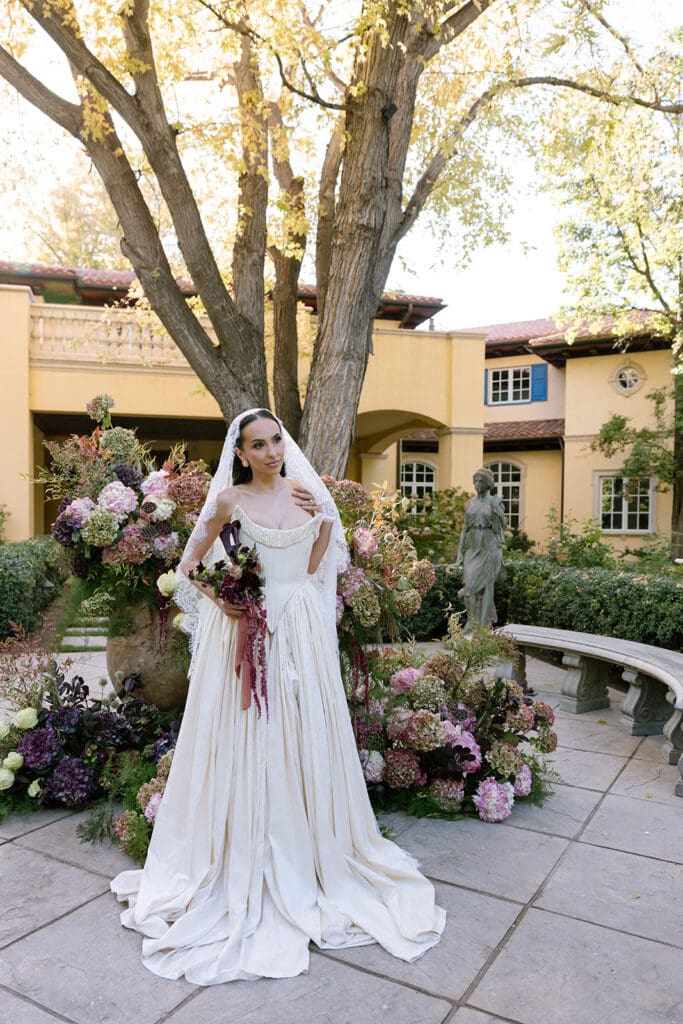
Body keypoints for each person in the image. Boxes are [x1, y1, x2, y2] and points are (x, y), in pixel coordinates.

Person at [110, 408, 445, 985]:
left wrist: (321, 527)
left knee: (302, 734)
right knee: (249, 735)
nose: (270, 452)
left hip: (301, 630)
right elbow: (189, 566)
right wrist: (225, 600)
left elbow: (316, 569)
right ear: (239, 453)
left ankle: (310, 851)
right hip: (247, 632)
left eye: (276, 441)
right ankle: (244, 852)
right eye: (258, 444)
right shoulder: (226, 502)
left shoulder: (307, 495)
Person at [456, 467, 506, 633]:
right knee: (469, 585)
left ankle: (482, 626)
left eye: (481, 481)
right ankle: (471, 621)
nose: (477, 484)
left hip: (490, 544)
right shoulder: (469, 503)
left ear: (488, 484)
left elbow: (503, 527)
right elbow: (464, 528)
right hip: (473, 543)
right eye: (475, 481)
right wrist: (459, 553)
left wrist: (499, 513)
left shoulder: (495, 502)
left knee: (487, 585)